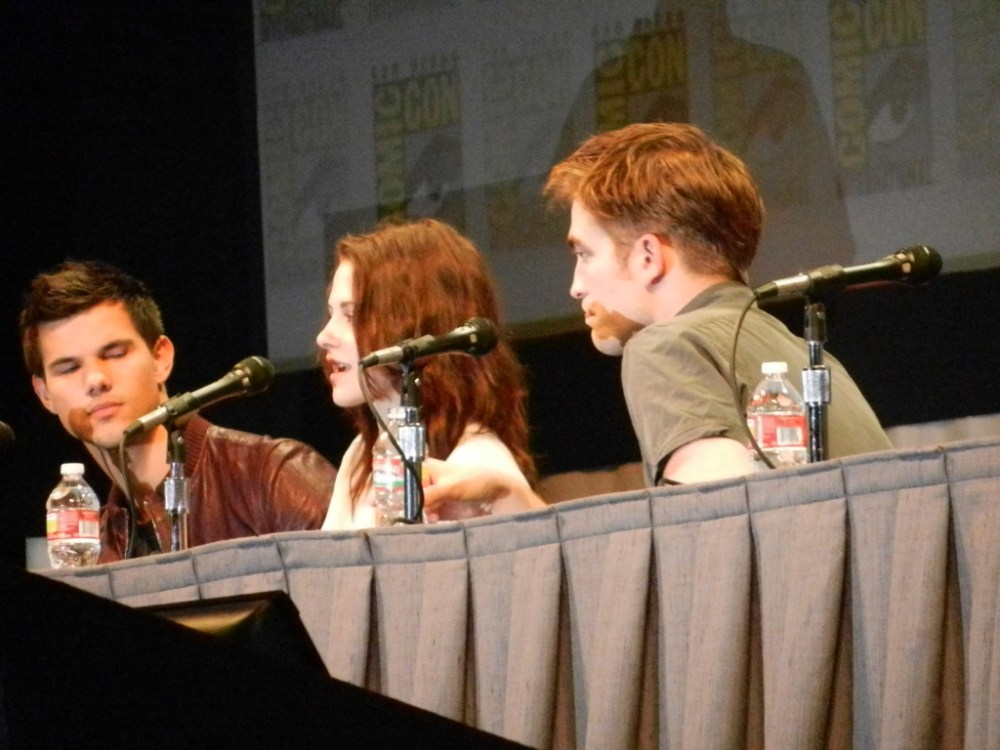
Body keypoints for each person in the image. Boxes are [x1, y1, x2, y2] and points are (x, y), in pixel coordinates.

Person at [426, 122, 891, 504]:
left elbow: (707, 532)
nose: (575, 286)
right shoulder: (806, 357)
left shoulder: (666, 346)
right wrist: (512, 498)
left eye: (584, 254)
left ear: (648, 257)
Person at [19, 260, 336, 562]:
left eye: (114, 354)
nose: (95, 380)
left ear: (161, 358)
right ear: (44, 394)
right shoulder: (99, 550)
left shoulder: (271, 475)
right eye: (69, 368)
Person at [315, 218, 541, 528]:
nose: (324, 337)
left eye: (351, 316)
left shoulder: (475, 462)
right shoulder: (359, 458)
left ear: (415, 326)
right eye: (331, 314)